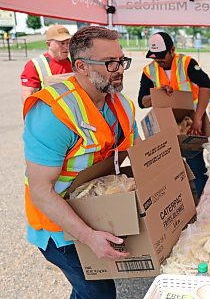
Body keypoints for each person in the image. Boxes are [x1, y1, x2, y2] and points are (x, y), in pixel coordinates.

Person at [23, 26, 140, 299]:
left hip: (96, 213)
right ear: (81, 66)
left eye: (122, 60)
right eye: (111, 63)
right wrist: (88, 237)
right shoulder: (53, 113)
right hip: (59, 228)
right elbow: (41, 192)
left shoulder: (121, 105)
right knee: (99, 293)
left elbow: (132, 159)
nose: (120, 68)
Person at [138, 32, 210, 197]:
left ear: (172, 50)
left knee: (196, 166)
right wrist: (156, 93)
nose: (158, 60)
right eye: (155, 57)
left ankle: (202, 203)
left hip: (191, 122)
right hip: (165, 126)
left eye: (162, 56)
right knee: (169, 170)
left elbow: (206, 86)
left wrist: (198, 119)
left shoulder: (186, 63)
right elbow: (141, 102)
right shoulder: (149, 71)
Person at [20, 25, 73, 103]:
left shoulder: (74, 62)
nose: (66, 47)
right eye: (62, 43)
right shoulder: (34, 65)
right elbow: (28, 96)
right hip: (48, 113)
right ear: (49, 44)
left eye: (68, 43)